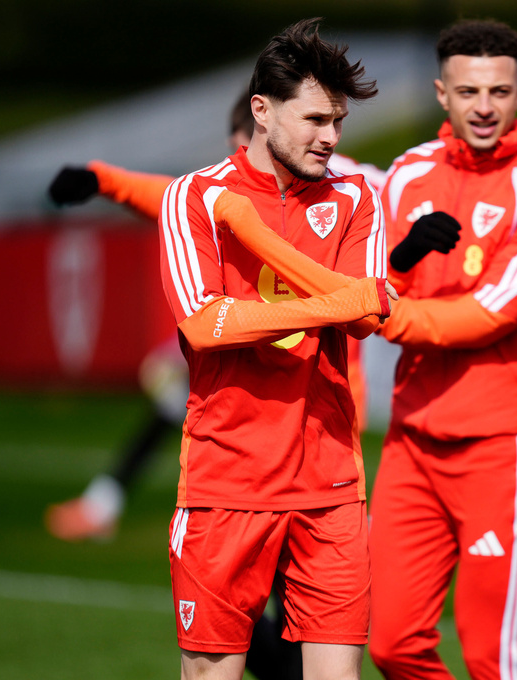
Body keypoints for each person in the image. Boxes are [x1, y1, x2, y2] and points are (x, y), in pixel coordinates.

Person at [157, 19, 394, 680]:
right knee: (212, 674)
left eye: (339, 121)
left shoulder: (354, 200)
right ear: (261, 111)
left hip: (331, 484)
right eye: (316, 119)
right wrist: (341, 302)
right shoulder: (196, 198)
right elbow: (205, 325)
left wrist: (351, 304)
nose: (333, 139)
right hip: (224, 482)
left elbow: (369, 320)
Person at [43, 90, 383, 543]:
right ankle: (105, 502)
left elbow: (414, 202)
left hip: (324, 387)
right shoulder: (231, 189)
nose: (240, 168)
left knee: (301, 546)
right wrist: (105, 181)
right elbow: (181, 198)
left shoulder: (352, 187)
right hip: (249, 367)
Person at [366, 20, 517, 680]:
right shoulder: (404, 176)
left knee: (495, 653)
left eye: (498, 91)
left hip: (499, 443)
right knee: (391, 644)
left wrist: (386, 313)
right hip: (412, 439)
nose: (483, 106)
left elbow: (489, 314)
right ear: (441, 94)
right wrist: (398, 264)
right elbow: (373, 281)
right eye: (468, 91)